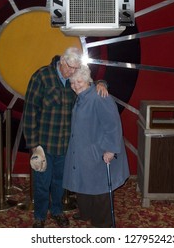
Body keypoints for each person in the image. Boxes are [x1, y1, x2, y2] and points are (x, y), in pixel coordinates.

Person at [22, 47, 108, 228]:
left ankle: (57, 211)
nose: (71, 72)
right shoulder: (41, 77)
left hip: (67, 145)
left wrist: (102, 83)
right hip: (44, 144)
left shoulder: (74, 79)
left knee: (61, 183)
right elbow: (30, 112)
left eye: (75, 68)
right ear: (61, 61)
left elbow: (88, 84)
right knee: (42, 183)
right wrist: (33, 145)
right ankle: (39, 216)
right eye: (69, 67)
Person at [63, 64, 130, 228]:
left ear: (87, 81)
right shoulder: (82, 95)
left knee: (99, 189)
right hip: (83, 150)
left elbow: (113, 125)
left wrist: (111, 150)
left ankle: (103, 224)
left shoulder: (100, 96)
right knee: (84, 183)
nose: (75, 85)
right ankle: (87, 213)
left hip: (99, 151)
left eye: (79, 82)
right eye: (72, 83)